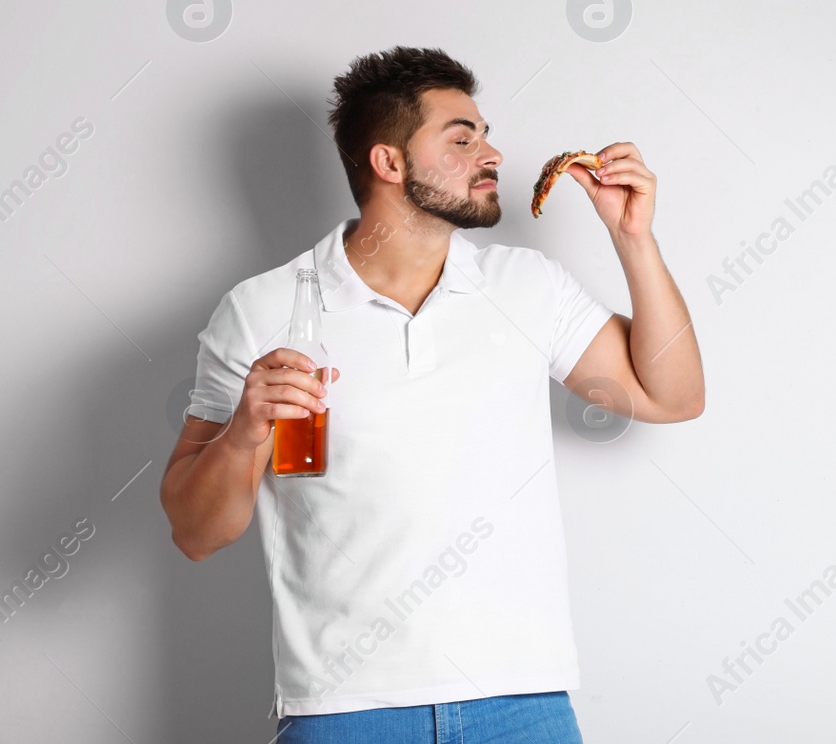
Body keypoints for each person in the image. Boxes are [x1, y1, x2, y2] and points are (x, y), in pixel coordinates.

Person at [159, 46, 704, 742]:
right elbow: (196, 532)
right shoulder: (261, 309)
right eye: (462, 137)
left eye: (484, 132)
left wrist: (635, 239)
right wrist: (243, 430)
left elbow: (674, 395)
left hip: (523, 702)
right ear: (389, 162)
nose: (493, 152)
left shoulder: (526, 285)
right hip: (344, 711)